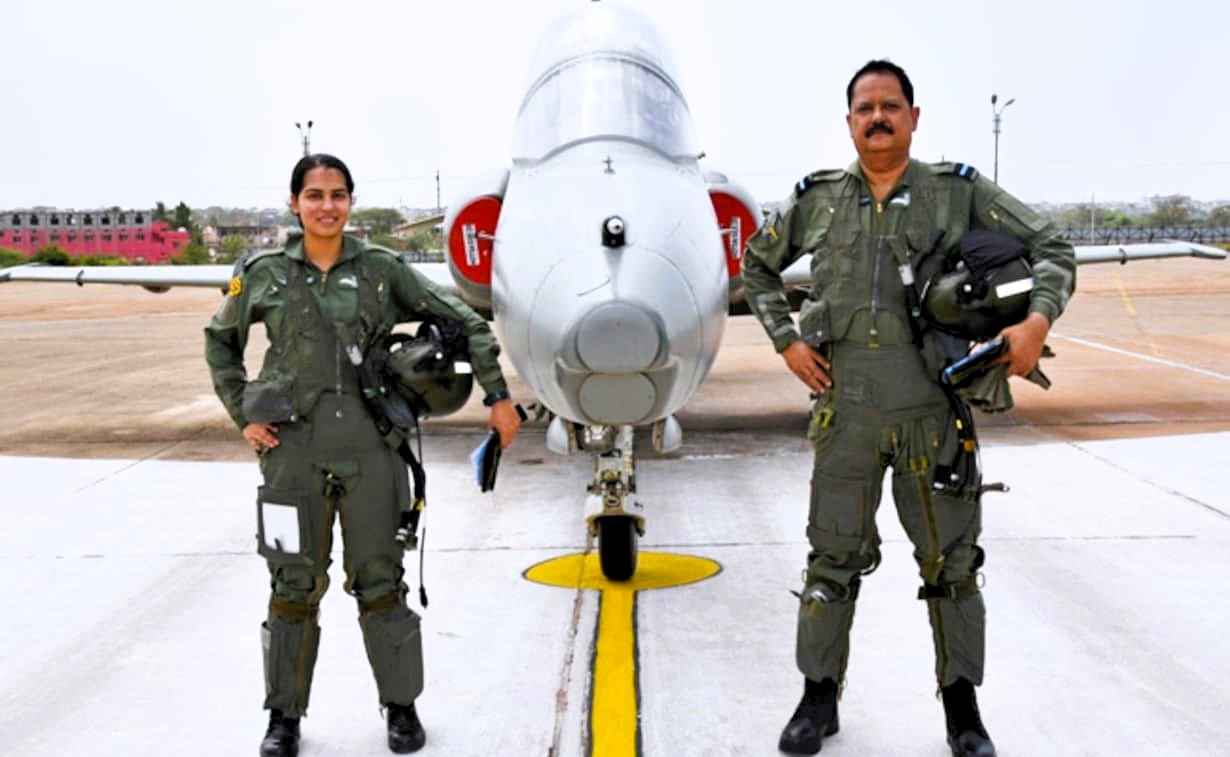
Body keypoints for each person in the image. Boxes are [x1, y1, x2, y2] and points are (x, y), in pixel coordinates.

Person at [742, 61, 1076, 756]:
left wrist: (1036, 321)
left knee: (952, 564)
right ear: (849, 122)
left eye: (890, 105)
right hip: (847, 414)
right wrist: (786, 344)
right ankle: (817, 698)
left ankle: (962, 712)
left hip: (932, 407)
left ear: (914, 117)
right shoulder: (820, 199)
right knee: (831, 559)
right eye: (865, 107)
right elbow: (757, 264)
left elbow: (1052, 246)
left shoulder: (955, 193)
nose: (878, 117)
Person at [205, 153, 522, 756]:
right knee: (292, 588)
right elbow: (220, 341)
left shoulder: (382, 270)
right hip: (292, 457)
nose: (328, 206)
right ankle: (284, 719)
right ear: (295, 203)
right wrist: (243, 411)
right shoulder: (265, 273)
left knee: (382, 584)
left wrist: (499, 397)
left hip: (374, 454)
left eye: (339, 195)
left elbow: (468, 323)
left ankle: (401, 709)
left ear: (351, 202)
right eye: (316, 195)